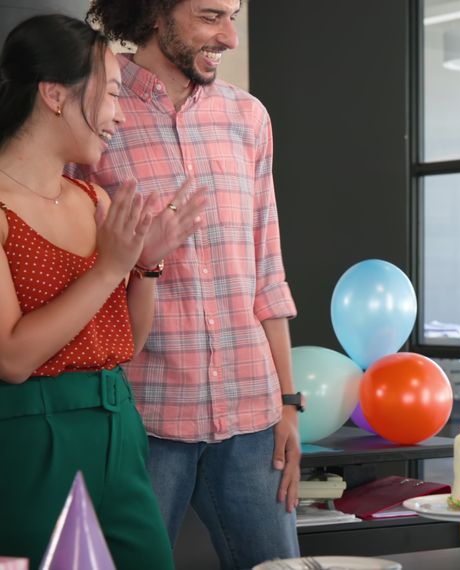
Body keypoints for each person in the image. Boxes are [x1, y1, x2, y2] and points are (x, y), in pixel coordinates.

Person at [70, 1, 302, 567]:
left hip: (252, 414)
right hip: (144, 418)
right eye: (210, 16)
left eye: (234, 16)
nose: (229, 37)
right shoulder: (96, 107)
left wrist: (289, 403)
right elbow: (70, 267)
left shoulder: (249, 118)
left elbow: (266, 266)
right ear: (155, 11)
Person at [0, 14, 204, 568]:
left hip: (118, 422)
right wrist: (111, 270)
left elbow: (128, 344)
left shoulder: (96, 201)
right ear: (54, 95)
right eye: (111, 93)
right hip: (29, 436)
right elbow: (13, 358)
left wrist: (148, 267)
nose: (117, 114)